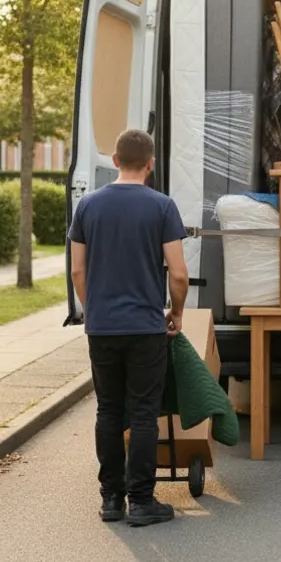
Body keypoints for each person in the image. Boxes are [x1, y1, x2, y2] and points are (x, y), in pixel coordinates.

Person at [68, 129, 188, 528]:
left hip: (102, 328)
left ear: (115, 161)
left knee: (108, 410)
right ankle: (141, 502)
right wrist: (177, 313)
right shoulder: (162, 206)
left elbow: (77, 270)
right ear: (150, 164)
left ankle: (110, 500)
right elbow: (180, 275)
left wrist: (93, 310)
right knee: (142, 413)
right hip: (145, 327)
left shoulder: (87, 206)